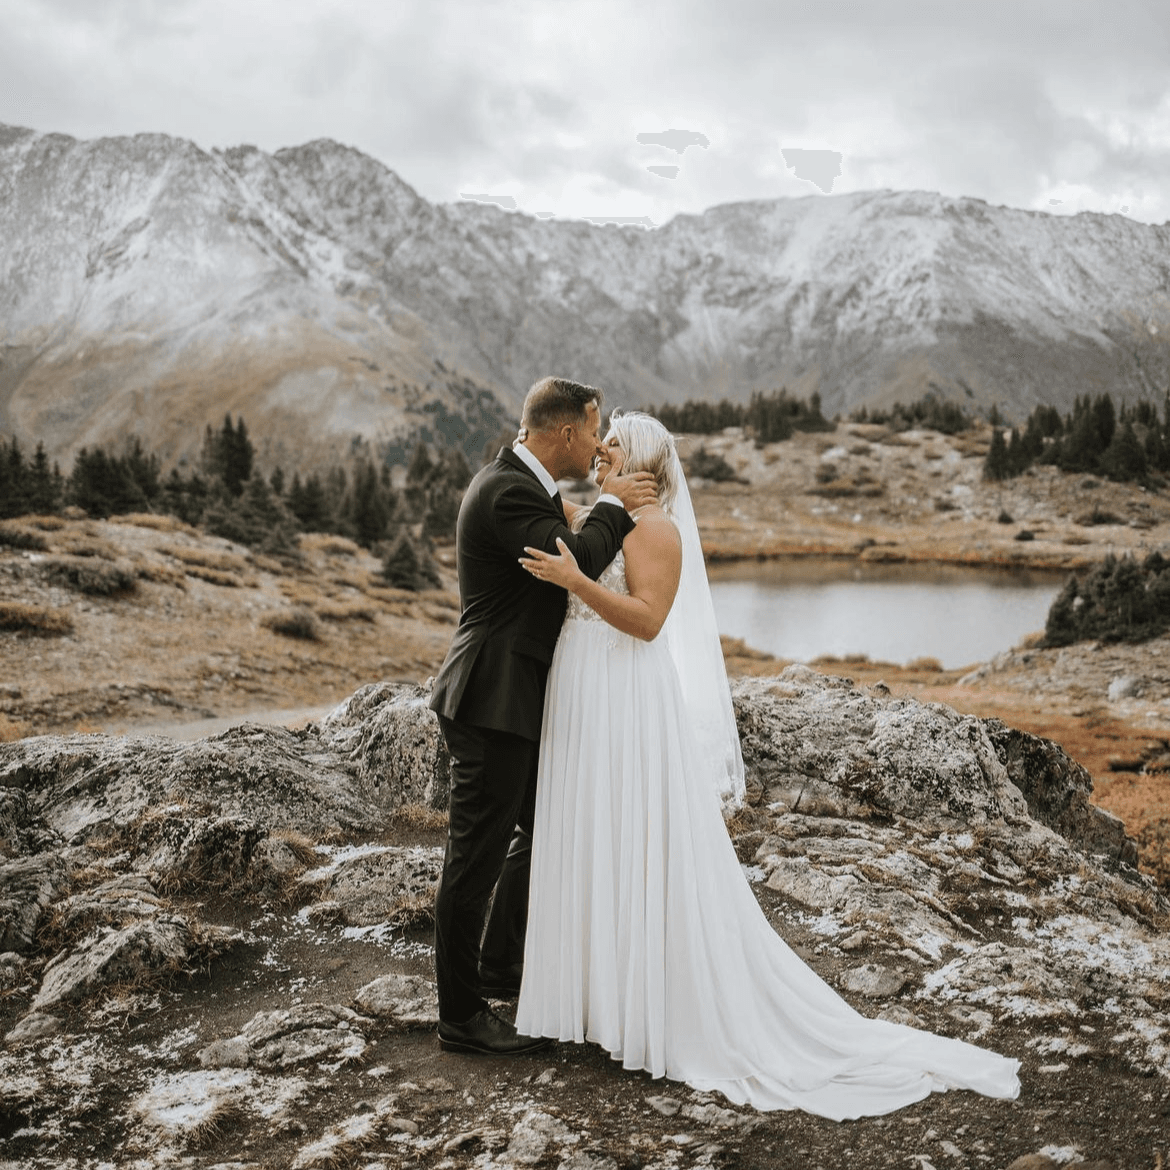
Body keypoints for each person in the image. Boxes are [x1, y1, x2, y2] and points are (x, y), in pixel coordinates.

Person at [514, 411, 1021, 1120]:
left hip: (623, 691)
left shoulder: (656, 530)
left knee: (633, 833)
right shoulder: (605, 513)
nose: (599, 453)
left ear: (646, 466)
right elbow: (544, 492)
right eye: (598, 446)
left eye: (613, 447)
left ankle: (653, 1008)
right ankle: (601, 1000)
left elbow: (647, 620)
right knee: (592, 832)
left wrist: (576, 581)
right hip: (583, 691)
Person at [428, 377, 657, 1056]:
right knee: (473, 859)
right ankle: (460, 1017)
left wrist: (596, 503)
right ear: (564, 434)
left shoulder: (520, 484)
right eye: (592, 432)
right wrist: (615, 505)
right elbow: (572, 562)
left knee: (544, 826)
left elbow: (562, 528)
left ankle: (500, 962)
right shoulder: (506, 493)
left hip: (507, 698)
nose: (596, 445)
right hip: (490, 701)